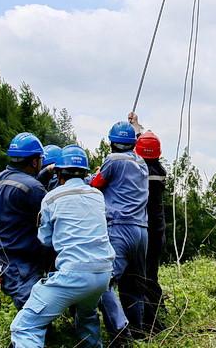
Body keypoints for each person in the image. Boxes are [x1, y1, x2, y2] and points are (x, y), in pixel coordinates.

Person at [10, 145, 115, 348]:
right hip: (103, 274)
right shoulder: (97, 196)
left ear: (58, 173)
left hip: (74, 274)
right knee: (87, 317)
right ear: (85, 173)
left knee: (25, 326)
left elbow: (46, 239)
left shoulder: (52, 198)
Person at [89, 121, 149, 346]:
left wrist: (95, 173)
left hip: (119, 228)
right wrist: (137, 125)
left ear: (111, 142)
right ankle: (138, 330)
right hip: (141, 231)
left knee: (103, 282)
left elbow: (95, 184)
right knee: (134, 285)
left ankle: (120, 332)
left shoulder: (112, 160)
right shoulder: (141, 162)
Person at [0, 132, 49, 309]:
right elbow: (51, 218)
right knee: (34, 309)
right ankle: (35, 337)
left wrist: (46, 172)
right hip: (19, 259)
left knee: (31, 306)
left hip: (0, 256)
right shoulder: (33, 188)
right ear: (34, 161)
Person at [126, 112, 167, 334]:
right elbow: (147, 149)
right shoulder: (159, 171)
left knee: (136, 277)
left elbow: (133, 156)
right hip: (157, 230)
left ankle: (146, 323)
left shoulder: (136, 172)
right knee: (151, 274)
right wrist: (136, 127)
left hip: (140, 230)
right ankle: (156, 314)